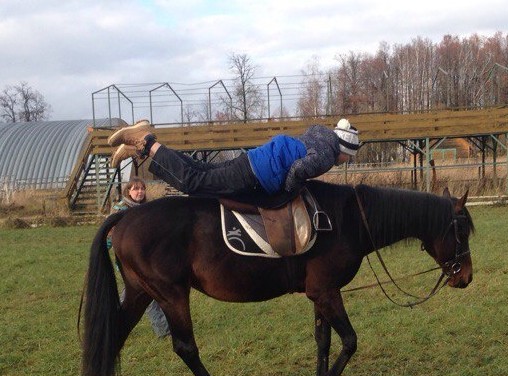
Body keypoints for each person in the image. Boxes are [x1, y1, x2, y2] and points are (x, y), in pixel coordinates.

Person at [107, 118, 360, 197]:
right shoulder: (327, 157)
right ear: (344, 152)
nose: (347, 162)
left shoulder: (319, 134)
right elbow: (297, 170)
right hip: (257, 173)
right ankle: (146, 139)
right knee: (194, 183)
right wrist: (289, 191)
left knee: (201, 169)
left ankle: (140, 148)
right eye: (349, 157)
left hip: (256, 159)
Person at [108, 177, 171, 338]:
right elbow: (110, 235)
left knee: (135, 294)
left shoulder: (148, 209)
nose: (140, 192)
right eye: (135, 189)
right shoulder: (119, 209)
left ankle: (111, 323)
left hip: (148, 260)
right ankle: (163, 330)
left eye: (142, 189)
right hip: (129, 260)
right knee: (147, 292)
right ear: (128, 191)